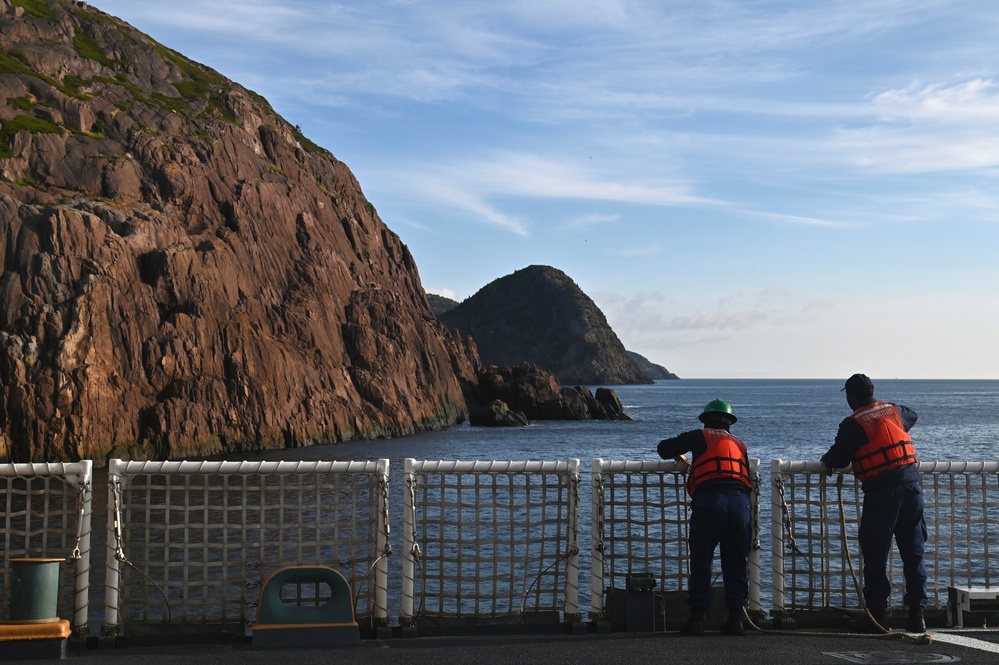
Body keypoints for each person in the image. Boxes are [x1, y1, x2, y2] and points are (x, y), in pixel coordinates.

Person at [820, 373, 927, 633]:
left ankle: (878, 615)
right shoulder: (893, 410)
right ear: (872, 391)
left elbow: (837, 458)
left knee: (875, 553)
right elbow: (912, 415)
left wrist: (826, 460)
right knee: (913, 552)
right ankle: (917, 615)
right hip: (912, 488)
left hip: (882, 492)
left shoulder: (853, 423)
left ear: (851, 396)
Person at [657, 399, 752, 636]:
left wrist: (682, 454)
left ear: (705, 419)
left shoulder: (699, 436)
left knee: (701, 560)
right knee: (737, 562)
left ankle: (697, 619)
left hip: (711, 502)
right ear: (730, 422)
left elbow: (663, 448)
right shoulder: (740, 444)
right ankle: (736, 620)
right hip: (741, 505)